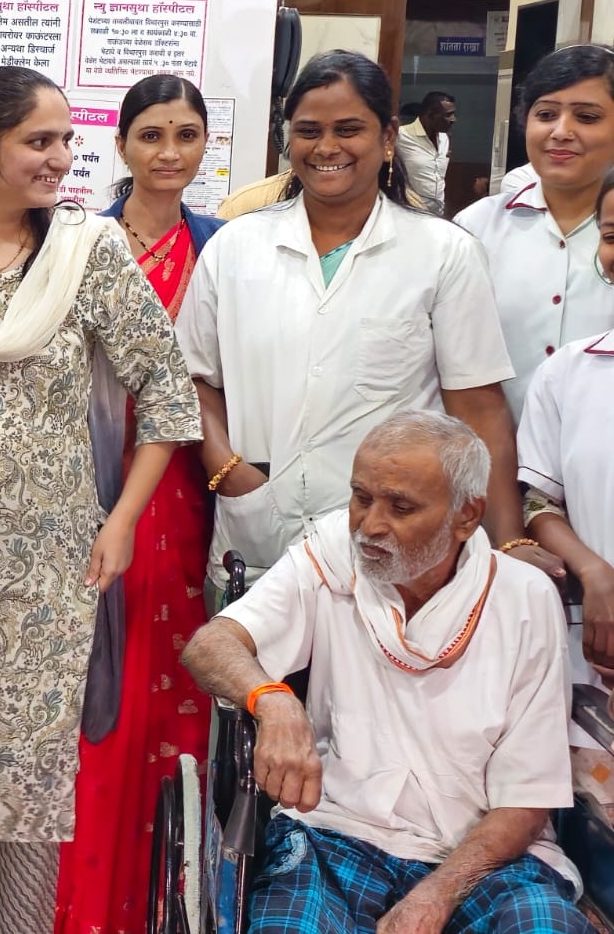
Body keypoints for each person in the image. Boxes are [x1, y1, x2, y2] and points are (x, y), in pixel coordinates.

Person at [0, 65, 201, 934]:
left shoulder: (86, 253)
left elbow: (168, 393)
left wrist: (121, 521)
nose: (63, 158)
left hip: (50, 570)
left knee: (27, 782)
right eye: (39, 141)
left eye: (67, 139)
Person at [182, 412, 589, 934]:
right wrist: (273, 700)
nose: (369, 525)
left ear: (466, 516)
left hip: (484, 858)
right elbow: (210, 645)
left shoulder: (524, 599)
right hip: (337, 834)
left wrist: (435, 896)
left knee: (544, 925)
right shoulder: (331, 554)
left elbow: (527, 800)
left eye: (401, 507)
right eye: (361, 497)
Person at [177, 50, 521, 597]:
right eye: (308, 130)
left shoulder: (443, 253)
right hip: (259, 531)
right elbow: (193, 378)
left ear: (387, 138)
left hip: (398, 546)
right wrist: (227, 469)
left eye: (348, 129)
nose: (326, 147)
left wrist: (510, 541)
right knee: (253, 652)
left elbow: (479, 409)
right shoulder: (235, 247)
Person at [58, 74, 222, 933]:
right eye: (151, 135)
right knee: (93, 681)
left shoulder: (222, 247)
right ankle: (73, 900)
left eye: (186, 135)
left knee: (176, 671)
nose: (169, 153)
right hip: (88, 476)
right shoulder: (77, 241)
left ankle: (161, 900)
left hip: (183, 487)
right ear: (120, 144)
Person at [515, 167, 614, 825]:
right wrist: (594, 571)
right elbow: (539, 502)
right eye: (612, 234)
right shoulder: (571, 371)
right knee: (595, 847)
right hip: (596, 656)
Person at [455, 45, 614, 422]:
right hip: (492, 448)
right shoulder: (475, 228)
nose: (560, 132)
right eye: (545, 114)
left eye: (586, 117)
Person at [397, 90, 456, 217]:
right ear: (430, 115)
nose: (453, 119)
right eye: (448, 115)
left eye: (453, 114)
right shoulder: (401, 135)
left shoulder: (444, 138)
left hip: (437, 213)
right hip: (411, 212)